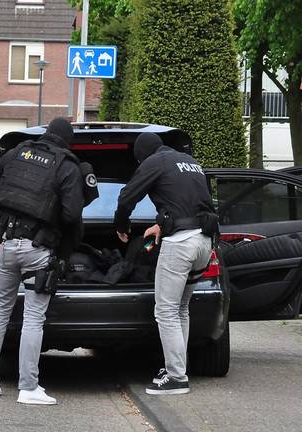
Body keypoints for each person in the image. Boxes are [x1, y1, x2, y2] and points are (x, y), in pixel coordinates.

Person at [0, 117, 85, 405]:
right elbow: (73, 215)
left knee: (0, 308)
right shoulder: (66, 165)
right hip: (37, 248)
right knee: (33, 318)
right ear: (67, 140)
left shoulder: (17, 152)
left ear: (46, 134)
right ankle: (28, 387)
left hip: (5, 243)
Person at [114, 132, 217, 396]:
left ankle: (176, 377)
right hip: (204, 243)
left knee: (166, 311)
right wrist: (162, 224)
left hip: (181, 244)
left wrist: (121, 225)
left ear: (142, 155)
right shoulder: (188, 161)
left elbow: (127, 197)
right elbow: (189, 202)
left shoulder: (153, 162)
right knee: (181, 308)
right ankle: (177, 368)